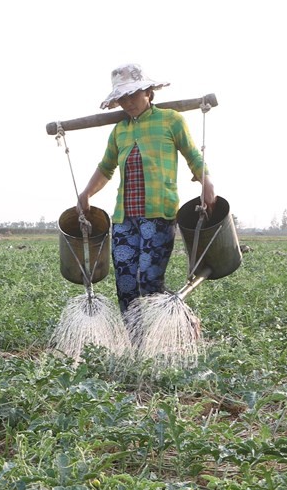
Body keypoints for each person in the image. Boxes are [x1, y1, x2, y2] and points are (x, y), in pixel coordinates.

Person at [78, 64, 215, 313]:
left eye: (132, 95)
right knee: (126, 281)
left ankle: (168, 328)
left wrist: (207, 183)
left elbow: (193, 156)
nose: (127, 103)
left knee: (149, 280)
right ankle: (134, 339)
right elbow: (106, 168)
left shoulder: (171, 120)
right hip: (124, 218)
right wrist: (86, 194)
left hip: (158, 215)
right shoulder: (120, 130)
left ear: (148, 93)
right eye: (122, 98)